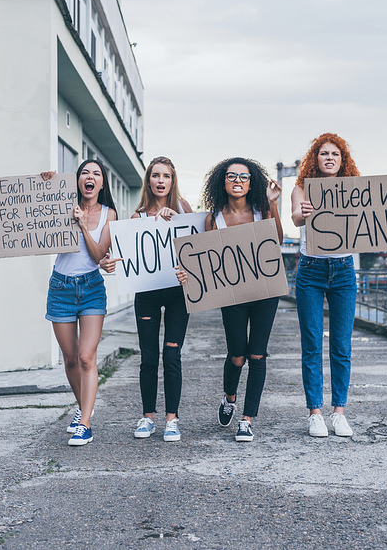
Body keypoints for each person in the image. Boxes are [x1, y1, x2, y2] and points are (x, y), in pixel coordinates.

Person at [179, 157, 283, 442]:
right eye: (232, 176)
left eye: (244, 177)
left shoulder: (263, 211)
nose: (238, 181)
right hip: (233, 295)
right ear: (221, 182)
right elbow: (206, 259)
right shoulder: (214, 218)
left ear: (252, 183)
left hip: (265, 292)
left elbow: (278, 241)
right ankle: (229, 398)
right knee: (237, 356)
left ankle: (247, 419)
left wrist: (273, 203)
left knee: (257, 355)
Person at [103, 157, 193, 443]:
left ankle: (172, 419)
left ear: (172, 180)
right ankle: (148, 416)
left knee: (171, 355)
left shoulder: (184, 210)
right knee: (149, 357)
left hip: (178, 294)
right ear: (149, 180)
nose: (160, 181)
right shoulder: (136, 218)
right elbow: (126, 257)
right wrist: (112, 262)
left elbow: (197, 247)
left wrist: (175, 221)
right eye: (155, 175)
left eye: (166, 176)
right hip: (147, 295)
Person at [291, 134, 360, 438]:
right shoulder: (302, 189)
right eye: (323, 153)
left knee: (342, 345)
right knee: (312, 342)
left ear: (342, 160)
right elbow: (295, 218)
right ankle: (315, 413)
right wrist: (301, 213)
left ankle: (339, 412)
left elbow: (373, 221)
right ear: (314, 159)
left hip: (344, 270)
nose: (329, 158)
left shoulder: (355, 191)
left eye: (335, 154)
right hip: (311, 270)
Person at [44, 160, 117, 446]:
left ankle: (85, 423)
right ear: (77, 181)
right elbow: (40, 207)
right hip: (60, 288)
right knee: (71, 358)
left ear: (101, 184)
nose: (90, 177)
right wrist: (47, 183)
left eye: (96, 174)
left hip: (90, 288)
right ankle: (83, 406)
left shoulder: (109, 214)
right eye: (85, 172)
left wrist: (84, 226)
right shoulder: (63, 204)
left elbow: (100, 255)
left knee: (87, 357)